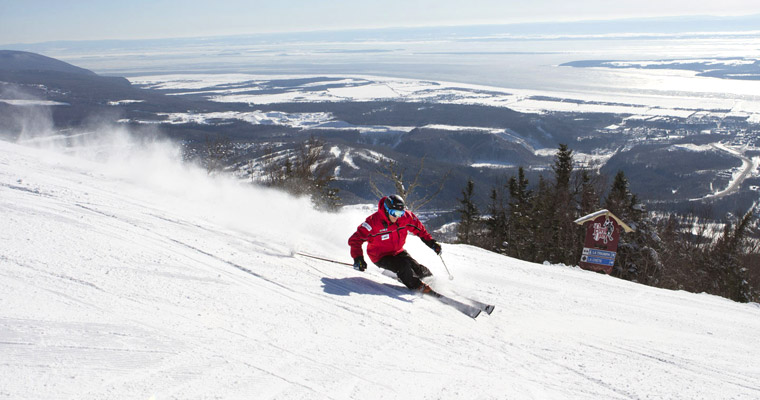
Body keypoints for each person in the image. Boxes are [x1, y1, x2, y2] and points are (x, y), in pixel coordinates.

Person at [348, 194, 443, 293]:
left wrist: (432, 243)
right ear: (386, 210)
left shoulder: (405, 217)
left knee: (417, 268)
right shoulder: (373, 223)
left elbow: (420, 230)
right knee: (403, 266)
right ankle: (419, 287)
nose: (397, 217)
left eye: (400, 213)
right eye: (394, 213)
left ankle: (434, 284)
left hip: (397, 251)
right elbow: (355, 240)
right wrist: (358, 258)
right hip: (380, 256)